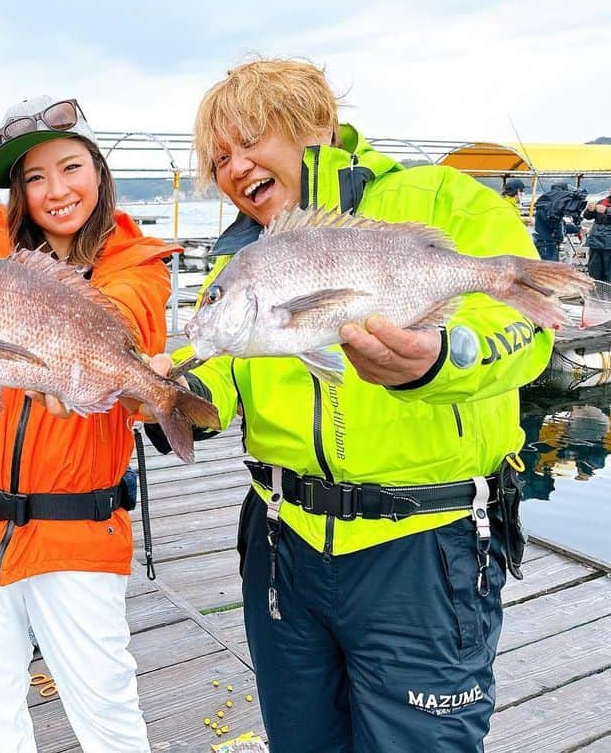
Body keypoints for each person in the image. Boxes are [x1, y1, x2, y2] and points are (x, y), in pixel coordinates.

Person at [144, 58, 544, 752]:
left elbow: (528, 332)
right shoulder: (243, 263)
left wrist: (437, 360)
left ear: (315, 125)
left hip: (424, 550)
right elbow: (224, 389)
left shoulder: (442, 198)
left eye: (249, 142)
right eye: (220, 159)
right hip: (281, 546)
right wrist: (168, 398)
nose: (235, 168)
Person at [0, 97, 178, 752]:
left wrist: (61, 345)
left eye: (71, 167)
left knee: (108, 718)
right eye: (34, 178)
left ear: (100, 172)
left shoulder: (138, 262)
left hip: (77, 531)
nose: (56, 191)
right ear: (18, 193)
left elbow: (129, 320)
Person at [533, 182, 583, 262]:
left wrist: (577, 229)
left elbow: (560, 225)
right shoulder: (547, 208)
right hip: (546, 243)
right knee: (549, 269)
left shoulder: (549, 207)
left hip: (549, 243)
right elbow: (554, 224)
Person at [584, 190, 611, 281]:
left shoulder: (603, 205)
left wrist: (606, 210)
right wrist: (589, 210)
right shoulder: (602, 201)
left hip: (608, 243)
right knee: (594, 269)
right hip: (595, 241)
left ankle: (608, 292)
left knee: (609, 272)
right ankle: (596, 291)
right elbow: (587, 216)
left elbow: (605, 210)